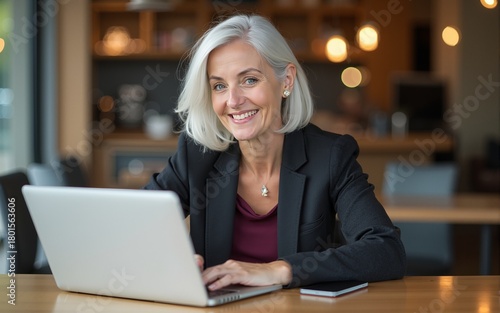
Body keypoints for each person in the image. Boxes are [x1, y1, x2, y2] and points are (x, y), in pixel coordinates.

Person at [144, 14, 406, 290]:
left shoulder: (330, 156)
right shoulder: (197, 155)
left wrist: (280, 270)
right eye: (219, 86)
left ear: (287, 81)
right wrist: (173, 260)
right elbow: (133, 226)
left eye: (249, 80)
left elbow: (386, 251)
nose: (233, 101)